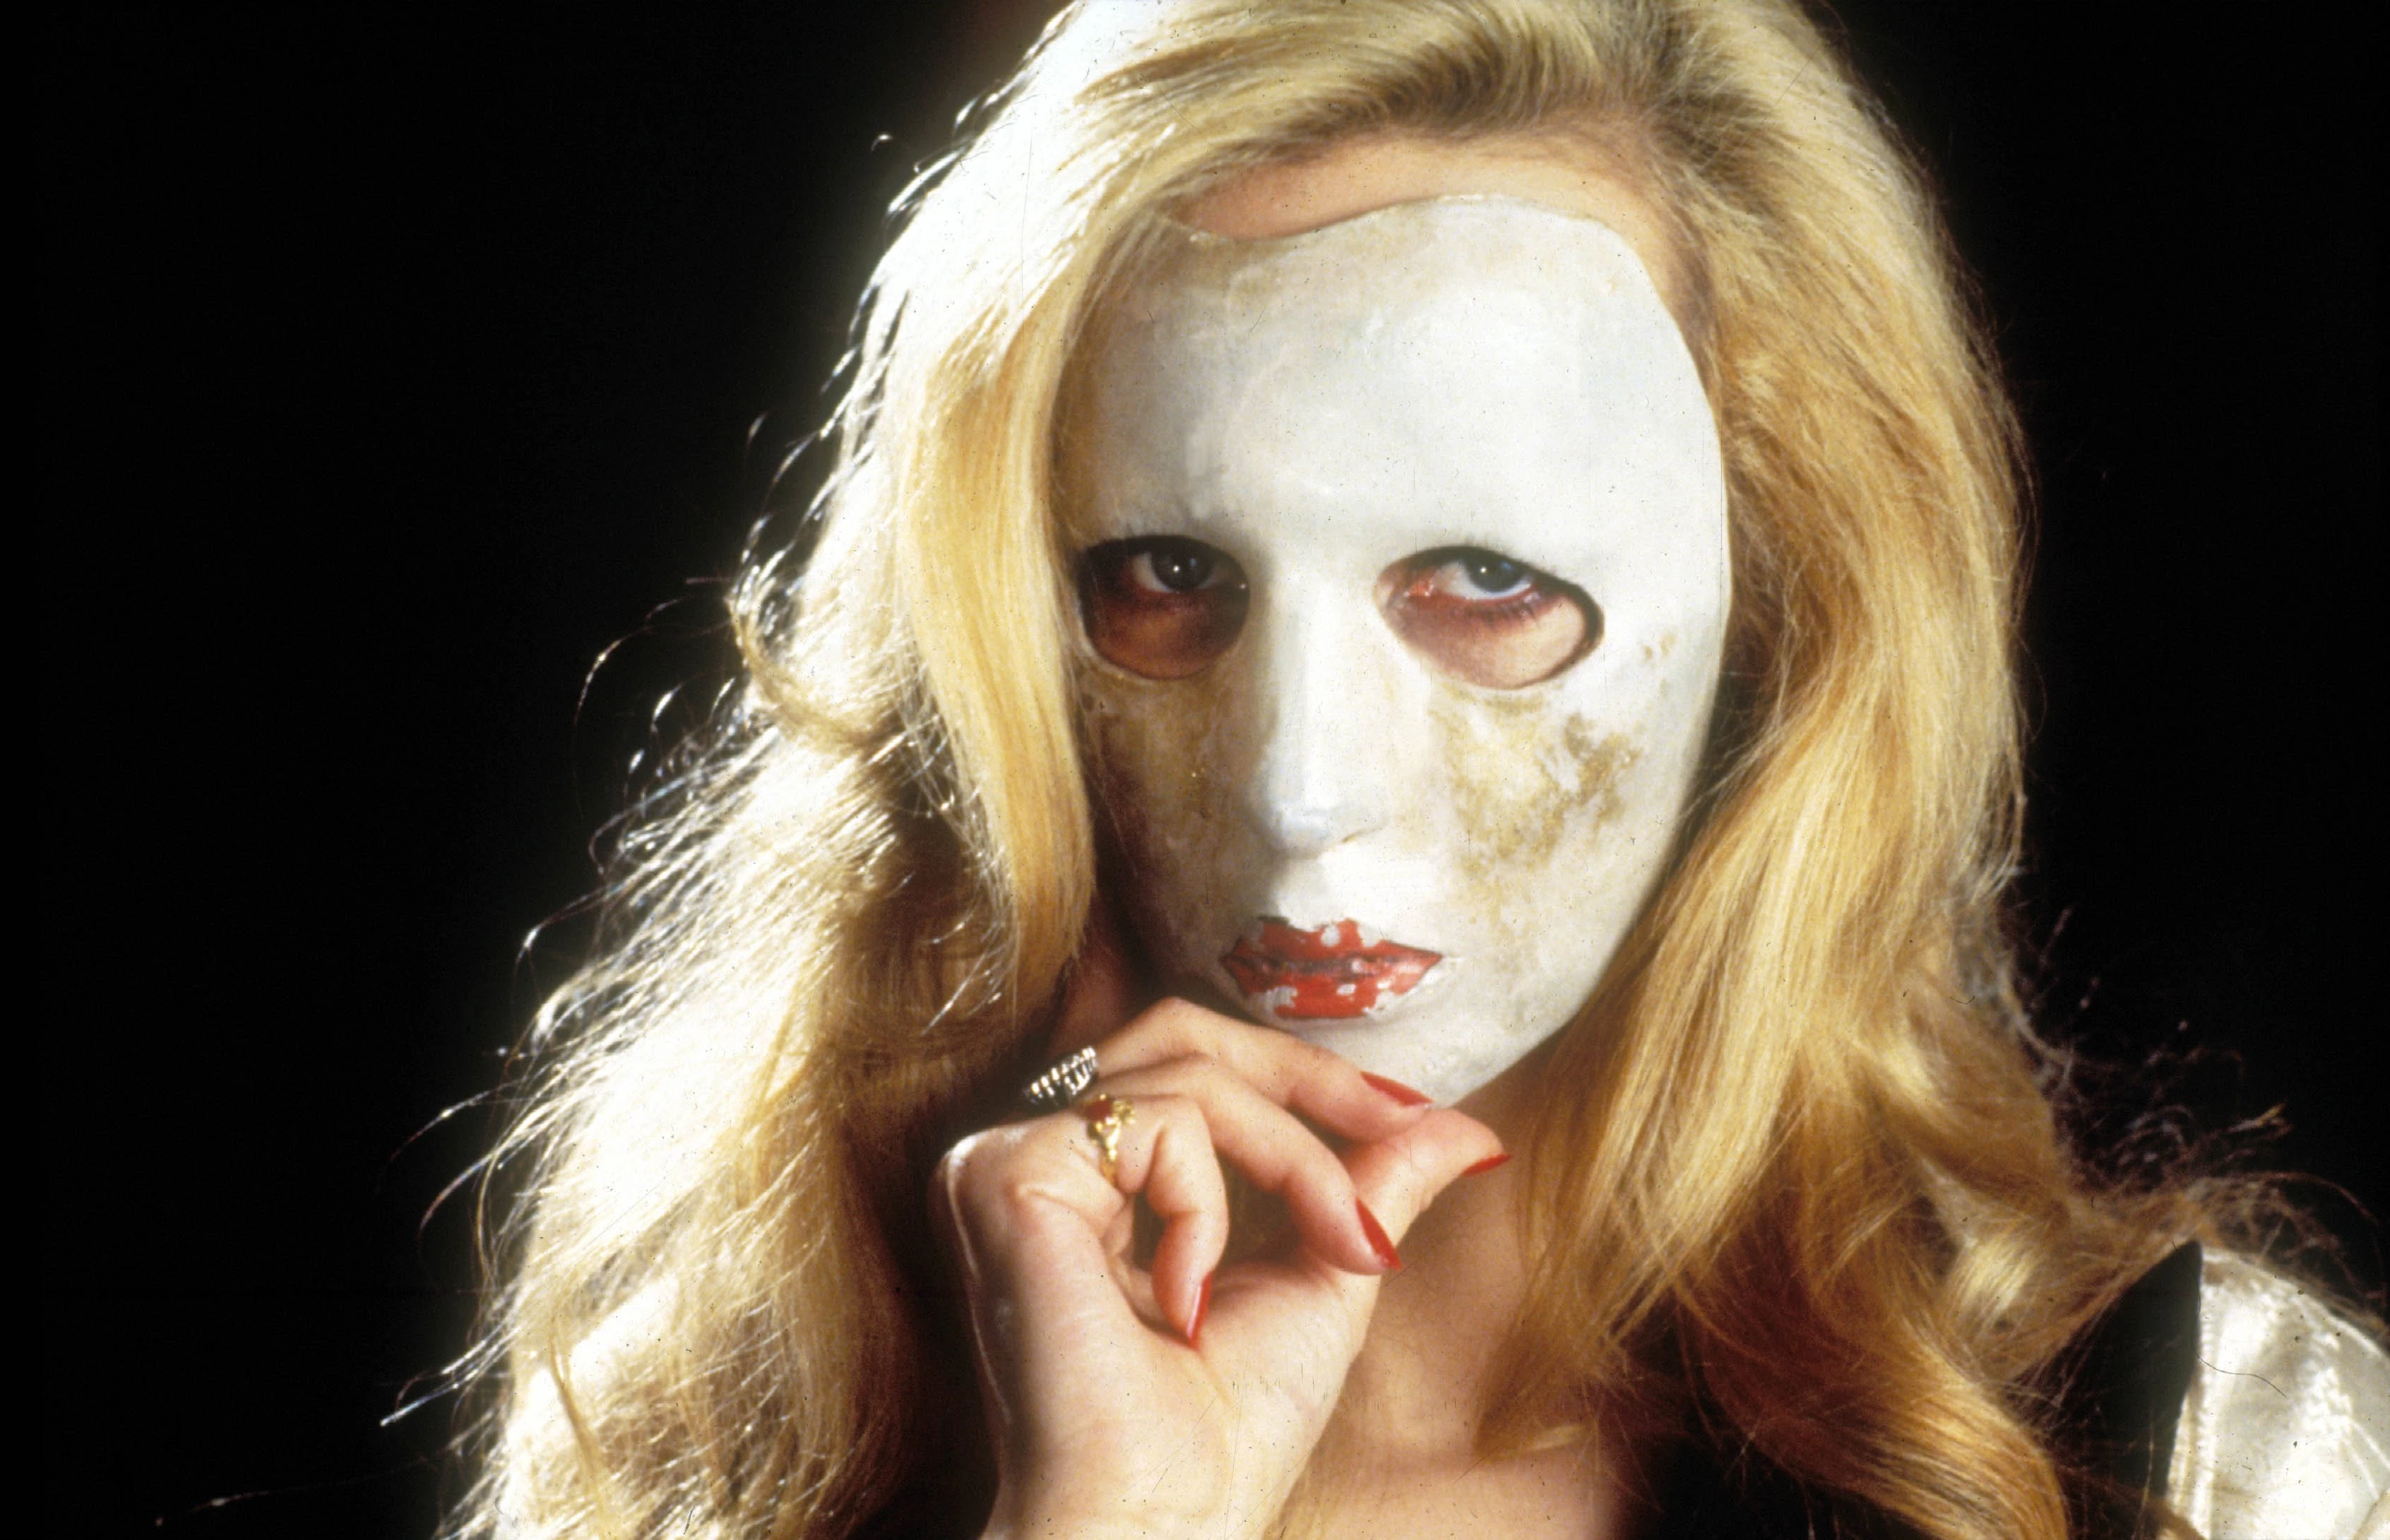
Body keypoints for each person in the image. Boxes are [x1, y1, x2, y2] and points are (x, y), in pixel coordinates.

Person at [461, 3, 2390, 1537]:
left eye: (1485, 582)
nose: (1302, 788)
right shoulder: (726, 1453)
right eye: (1167, 577)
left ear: (1782, 608)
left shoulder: (2203, 1462)